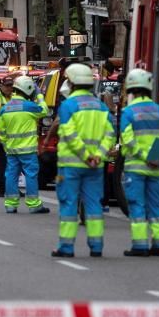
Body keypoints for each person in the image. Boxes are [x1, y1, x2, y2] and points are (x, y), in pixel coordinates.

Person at [52, 64, 114, 257]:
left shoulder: (68, 106)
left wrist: (85, 156)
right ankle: (96, 247)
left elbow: (69, 134)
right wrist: (98, 155)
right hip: (95, 166)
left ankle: (66, 247)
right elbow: (110, 135)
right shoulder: (102, 107)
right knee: (94, 205)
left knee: (69, 204)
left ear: (71, 82)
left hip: (71, 165)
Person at [119, 69, 159, 257]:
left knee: (137, 205)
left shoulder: (128, 112)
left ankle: (140, 245)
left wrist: (144, 156)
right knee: (157, 205)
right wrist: (155, 157)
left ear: (132, 89)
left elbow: (128, 140)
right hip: (155, 168)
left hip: (136, 168)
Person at [0, 75, 49, 215]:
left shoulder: (4, 109)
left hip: (11, 151)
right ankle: (33, 205)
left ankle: (10, 204)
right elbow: (45, 110)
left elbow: (1, 133)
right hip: (28, 151)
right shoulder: (30, 107)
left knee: (11, 176)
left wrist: (6, 145)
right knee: (31, 176)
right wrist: (39, 96)